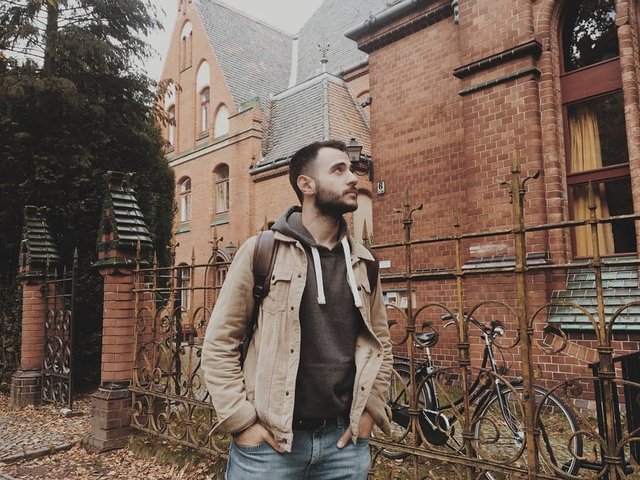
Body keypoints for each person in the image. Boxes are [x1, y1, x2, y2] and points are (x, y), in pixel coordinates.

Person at [202, 139, 392, 479]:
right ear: (307, 184)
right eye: (338, 170)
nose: (352, 178)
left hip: (343, 446)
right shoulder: (262, 251)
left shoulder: (364, 262)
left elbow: (380, 343)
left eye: (351, 169)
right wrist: (241, 421)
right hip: (269, 448)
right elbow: (220, 342)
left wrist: (370, 411)